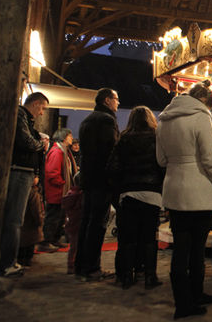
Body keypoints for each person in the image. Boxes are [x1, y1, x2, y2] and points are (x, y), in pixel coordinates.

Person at [157, 81, 212, 319]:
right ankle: (192, 298)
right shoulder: (201, 117)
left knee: (181, 249)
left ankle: (184, 299)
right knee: (196, 249)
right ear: (206, 101)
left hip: (174, 188)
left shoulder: (164, 119)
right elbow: (209, 157)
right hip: (199, 189)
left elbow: (161, 159)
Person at [107, 106, 166, 289]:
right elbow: (163, 166)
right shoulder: (157, 138)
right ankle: (150, 276)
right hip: (152, 194)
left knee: (128, 238)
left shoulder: (124, 139)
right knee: (149, 237)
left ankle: (126, 276)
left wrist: (118, 192)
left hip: (129, 193)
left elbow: (113, 167)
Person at [0, 92, 49, 277]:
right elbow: (26, 141)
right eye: (43, 108)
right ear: (36, 104)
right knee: (14, 220)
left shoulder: (24, 118)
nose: (42, 113)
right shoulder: (21, 116)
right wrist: (40, 145)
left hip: (22, 171)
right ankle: (7, 263)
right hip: (19, 171)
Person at [75, 88, 119, 282]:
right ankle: (92, 267)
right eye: (116, 99)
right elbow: (111, 151)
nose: (118, 103)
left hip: (89, 178)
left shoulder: (88, 120)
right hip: (102, 179)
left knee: (87, 222)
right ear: (108, 100)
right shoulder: (106, 121)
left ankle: (81, 265)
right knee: (97, 224)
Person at [42, 128, 77, 251]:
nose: (71, 138)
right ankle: (46, 241)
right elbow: (52, 173)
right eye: (69, 135)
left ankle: (54, 240)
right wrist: (63, 184)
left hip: (60, 191)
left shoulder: (63, 151)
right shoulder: (57, 152)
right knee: (53, 217)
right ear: (63, 137)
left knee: (59, 217)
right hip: (57, 192)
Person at [17, 177, 45, 268]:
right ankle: (26, 262)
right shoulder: (33, 194)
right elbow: (36, 210)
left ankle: (21, 260)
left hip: (23, 225)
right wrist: (40, 221)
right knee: (28, 246)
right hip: (30, 226)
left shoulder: (20, 190)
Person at [62, 172, 83, 275]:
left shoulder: (70, 194)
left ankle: (71, 265)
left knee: (73, 246)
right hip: (78, 223)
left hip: (71, 223)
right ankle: (73, 265)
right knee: (77, 246)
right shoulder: (80, 196)